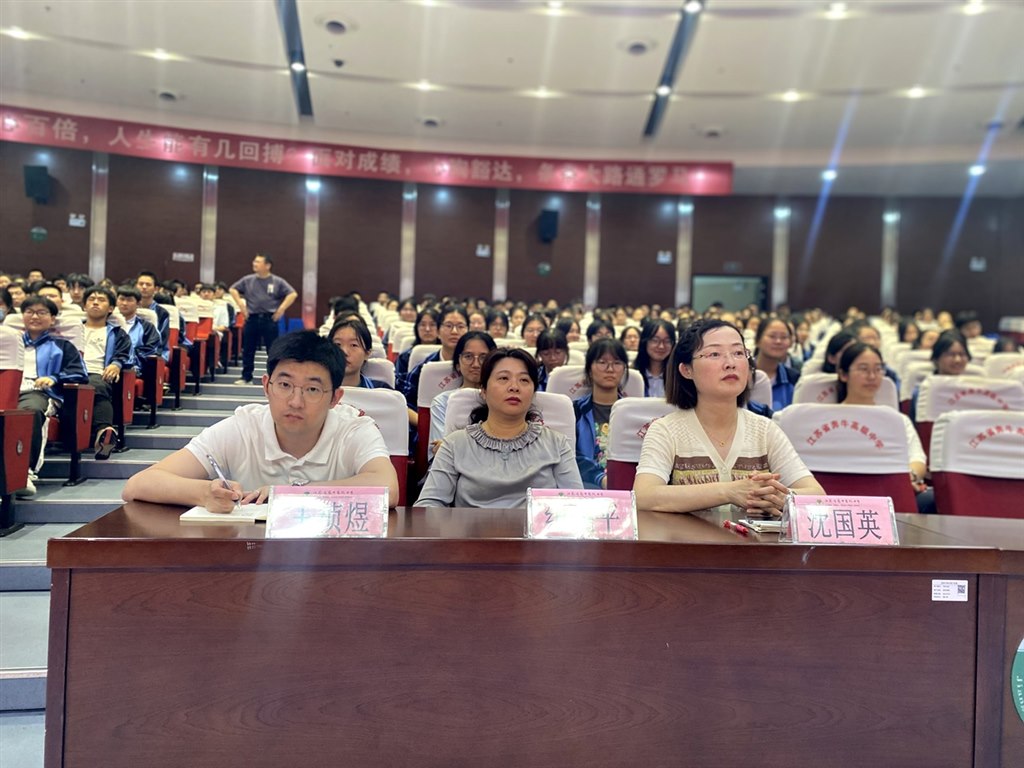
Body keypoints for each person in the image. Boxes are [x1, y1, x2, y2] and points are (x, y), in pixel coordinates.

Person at [122, 331, 399, 511]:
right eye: (285, 385)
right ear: (266, 386)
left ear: (335, 398)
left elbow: (388, 487)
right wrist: (205, 492)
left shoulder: (354, 428)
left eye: (312, 389)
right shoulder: (243, 427)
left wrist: (291, 494)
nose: (296, 401)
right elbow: (138, 485)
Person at [633, 319, 824, 515]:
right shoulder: (666, 430)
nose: (731, 363)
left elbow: (817, 496)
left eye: (738, 353)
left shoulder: (764, 430)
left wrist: (782, 498)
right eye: (715, 354)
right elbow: (643, 496)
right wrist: (728, 492)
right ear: (687, 370)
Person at [416, 348, 582, 507]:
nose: (514, 387)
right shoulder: (454, 444)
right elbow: (428, 504)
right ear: (483, 390)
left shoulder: (556, 443)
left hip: (536, 528)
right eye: (503, 378)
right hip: (471, 528)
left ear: (533, 393)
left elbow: (577, 505)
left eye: (524, 380)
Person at [837, 342, 933, 512]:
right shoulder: (827, 418)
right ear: (843, 375)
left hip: (889, 492)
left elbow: (917, 459)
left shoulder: (896, 420)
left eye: (878, 369)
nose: (872, 376)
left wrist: (907, 478)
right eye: (863, 369)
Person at [16, 296, 89, 497]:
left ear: (53, 318)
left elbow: (80, 373)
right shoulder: (10, 344)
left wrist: (54, 378)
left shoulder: (62, 346)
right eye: (29, 312)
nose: (35, 316)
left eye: (41, 312)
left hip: (39, 393)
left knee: (30, 411)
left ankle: (24, 473)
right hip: (8, 390)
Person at [230, 253, 298, 385]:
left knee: (272, 350)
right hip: (252, 318)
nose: (254, 264)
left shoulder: (277, 281)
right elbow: (233, 289)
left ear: (267, 265)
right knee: (248, 349)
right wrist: (241, 306)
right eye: (254, 261)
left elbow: (292, 294)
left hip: (269, 319)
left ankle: (274, 377)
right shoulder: (247, 280)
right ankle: (246, 377)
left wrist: (281, 309)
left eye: (258, 262)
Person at [81, 287, 133, 460]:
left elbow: (125, 354)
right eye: (91, 299)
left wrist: (116, 364)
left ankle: (104, 434)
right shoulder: (72, 331)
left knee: (97, 385)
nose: (95, 303)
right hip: (70, 373)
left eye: (101, 300)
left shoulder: (117, 333)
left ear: (110, 308)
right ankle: (104, 431)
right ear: (84, 306)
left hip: (99, 373)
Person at [429, 330, 497, 452]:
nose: (476, 364)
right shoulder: (443, 402)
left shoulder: (502, 398)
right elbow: (439, 450)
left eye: (483, 357)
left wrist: (455, 445)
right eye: (468, 356)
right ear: (458, 364)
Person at [574, 338, 629, 490]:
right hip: (584, 489)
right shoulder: (575, 411)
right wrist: (600, 479)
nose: (610, 369)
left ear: (624, 369)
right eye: (602, 362)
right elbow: (570, 455)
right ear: (589, 369)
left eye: (617, 363)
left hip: (625, 489)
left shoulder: (632, 413)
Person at [329, 316, 391, 389]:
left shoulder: (382, 391)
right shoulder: (317, 389)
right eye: (337, 344)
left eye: (353, 345)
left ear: (367, 353)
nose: (344, 352)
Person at [753, 317, 800, 411]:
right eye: (772, 336)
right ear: (757, 340)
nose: (778, 341)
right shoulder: (742, 374)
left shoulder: (794, 379)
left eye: (784, 337)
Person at [115, 285, 162, 368]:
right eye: (121, 299)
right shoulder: (108, 324)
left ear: (138, 304)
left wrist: (126, 358)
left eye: (129, 300)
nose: (124, 303)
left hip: (134, 367)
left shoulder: (147, 327)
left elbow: (152, 350)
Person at [395, 307, 440, 385]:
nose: (427, 329)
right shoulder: (405, 357)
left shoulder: (447, 354)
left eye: (432, 325)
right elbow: (399, 384)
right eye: (423, 325)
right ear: (416, 328)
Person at [634, 319, 676, 397]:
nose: (661, 346)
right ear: (644, 342)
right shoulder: (632, 375)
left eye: (667, 341)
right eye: (655, 340)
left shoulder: (678, 376)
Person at [135, 271, 171, 359]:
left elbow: (161, 341)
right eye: (141, 284)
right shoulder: (128, 309)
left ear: (156, 289)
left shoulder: (162, 313)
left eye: (148, 284)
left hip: (155, 353)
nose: (144, 287)